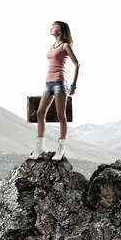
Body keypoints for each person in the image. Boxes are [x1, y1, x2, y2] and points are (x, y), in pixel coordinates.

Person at [29, 21, 80, 161]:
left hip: (59, 83)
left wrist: (73, 86)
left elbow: (77, 64)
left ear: (61, 30)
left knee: (60, 115)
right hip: (48, 83)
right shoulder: (52, 46)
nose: (51, 28)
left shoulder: (65, 46)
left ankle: (61, 149)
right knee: (40, 113)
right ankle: (40, 147)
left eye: (54, 26)